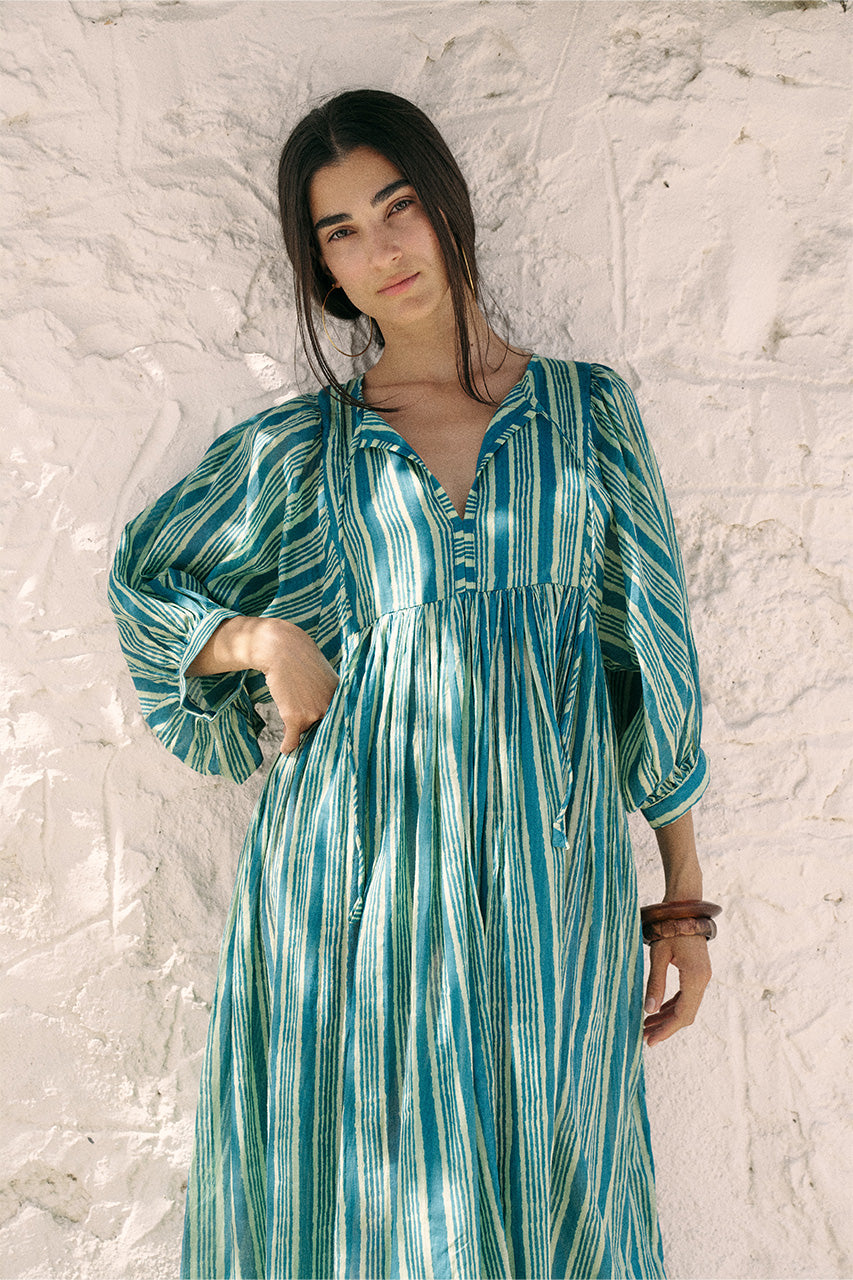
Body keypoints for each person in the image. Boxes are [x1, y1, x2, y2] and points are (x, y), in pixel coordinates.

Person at [108, 88, 717, 1280]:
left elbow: (651, 656)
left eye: (395, 208)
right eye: (339, 231)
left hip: (553, 888)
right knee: (368, 1211)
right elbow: (145, 583)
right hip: (356, 893)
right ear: (321, 268)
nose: (380, 249)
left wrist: (682, 898)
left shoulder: (589, 416)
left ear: (445, 209)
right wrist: (262, 644)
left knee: (560, 1182)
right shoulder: (309, 447)